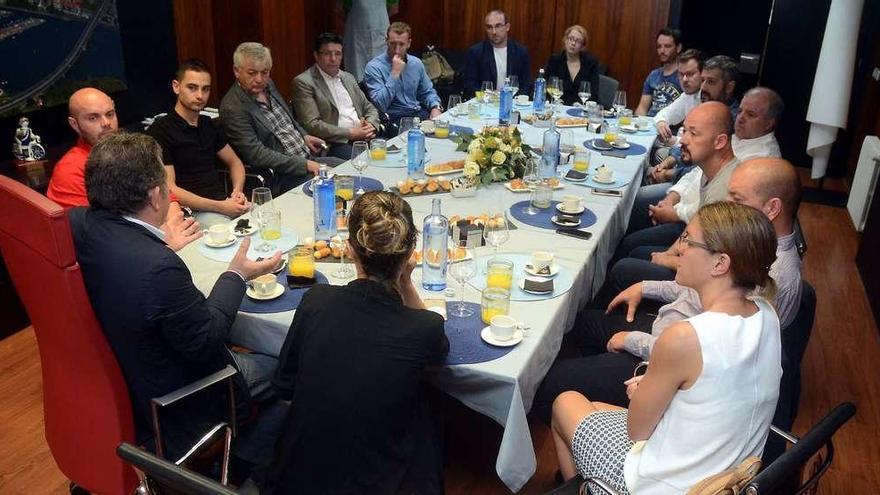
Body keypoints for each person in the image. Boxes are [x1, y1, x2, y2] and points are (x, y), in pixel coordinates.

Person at [69, 131, 284, 464]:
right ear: (157, 196)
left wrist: (159, 245)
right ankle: (256, 463)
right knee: (287, 359)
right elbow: (208, 340)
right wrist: (237, 274)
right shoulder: (158, 269)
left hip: (129, 382)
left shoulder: (78, 224)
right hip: (188, 398)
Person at [533, 158, 801, 417]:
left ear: (772, 208)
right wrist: (645, 287)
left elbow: (695, 363)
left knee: (549, 388)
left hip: (672, 378)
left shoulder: (766, 276)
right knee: (584, 322)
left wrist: (635, 348)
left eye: (737, 199)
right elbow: (694, 295)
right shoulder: (751, 256)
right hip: (671, 352)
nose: (727, 204)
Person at [551, 201, 782, 493]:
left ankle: (595, 486)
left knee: (564, 402)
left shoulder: (685, 337)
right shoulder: (766, 313)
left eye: (688, 240)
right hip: (728, 472)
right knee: (593, 408)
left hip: (670, 484)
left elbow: (637, 431)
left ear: (720, 263)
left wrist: (642, 391)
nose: (679, 249)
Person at [263, 191, 449, 494]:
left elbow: (284, 384)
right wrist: (406, 281)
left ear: (350, 250)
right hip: (382, 481)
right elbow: (438, 351)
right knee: (431, 411)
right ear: (411, 250)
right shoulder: (424, 327)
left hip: (299, 477)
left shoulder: (316, 300)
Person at [47, 87, 200, 251]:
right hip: (120, 256)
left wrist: (172, 228)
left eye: (110, 114)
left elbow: (166, 194)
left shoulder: (130, 149)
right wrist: (165, 244)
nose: (106, 123)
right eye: (93, 118)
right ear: (75, 124)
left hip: (156, 242)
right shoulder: (70, 170)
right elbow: (99, 237)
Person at [614, 102, 739, 265]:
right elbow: (695, 226)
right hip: (693, 237)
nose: (683, 141)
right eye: (685, 131)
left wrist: (665, 259)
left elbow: (706, 262)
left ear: (720, 142)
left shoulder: (728, 187)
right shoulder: (710, 167)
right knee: (630, 247)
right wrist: (667, 253)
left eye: (693, 134)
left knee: (625, 266)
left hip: (702, 267)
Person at [220, 42, 343, 195]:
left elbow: (287, 118)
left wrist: (303, 135)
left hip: (308, 157)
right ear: (236, 71)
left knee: (350, 172)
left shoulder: (268, 84)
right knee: (335, 190)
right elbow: (257, 155)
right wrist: (305, 165)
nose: (259, 79)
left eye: (264, 72)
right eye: (252, 73)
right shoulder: (233, 107)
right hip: (283, 175)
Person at [147, 59, 251, 227]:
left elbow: (235, 163)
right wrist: (221, 207)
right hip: (191, 211)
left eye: (206, 89)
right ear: (176, 86)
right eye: (192, 88)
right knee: (234, 234)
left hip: (223, 203)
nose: (200, 96)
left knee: (266, 219)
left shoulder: (208, 124)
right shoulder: (161, 130)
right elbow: (169, 188)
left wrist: (236, 192)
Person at [291, 32, 382, 160]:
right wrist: (351, 133)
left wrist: (371, 125)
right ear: (316, 56)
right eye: (327, 54)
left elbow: (369, 107)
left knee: (392, 154)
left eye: (338, 54)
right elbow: (312, 124)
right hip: (335, 143)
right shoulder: (304, 82)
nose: (333, 59)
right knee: (365, 162)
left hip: (363, 135)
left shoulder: (348, 77)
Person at [363, 22, 443, 123]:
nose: (397, 50)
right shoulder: (374, 67)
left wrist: (435, 107)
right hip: (393, 118)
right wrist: (394, 74)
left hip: (417, 113)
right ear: (386, 41)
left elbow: (427, 92)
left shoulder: (416, 63)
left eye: (401, 44)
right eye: (393, 44)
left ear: (409, 43)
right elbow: (380, 105)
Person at [460, 9, 532, 99]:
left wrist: (513, 99)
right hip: (486, 103)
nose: (494, 32)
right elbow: (470, 85)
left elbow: (526, 84)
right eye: (489, 27)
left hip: (513, 103)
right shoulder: (476, 52)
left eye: (498, 26)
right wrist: (491, 96)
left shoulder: (520, 52)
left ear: (507, 27)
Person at [651, 48, 704, 150]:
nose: (684, 79)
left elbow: (701, 146)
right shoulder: (687, 95)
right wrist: (661, 123)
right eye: (681, 74)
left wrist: (674, 141)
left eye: (690, 74)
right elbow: (664, 114)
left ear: (702, 74)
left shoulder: (708, 99)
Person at [340, 0, 398, 82]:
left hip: (380, 32)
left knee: (381, 73)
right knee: (356, 74)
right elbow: (342, 8)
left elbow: (394, 9)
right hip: (356, 35)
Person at [543, 25, 601, 106]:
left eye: (578, 41)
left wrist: (582, 104)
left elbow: (594, 93)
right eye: (571, 39)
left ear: (582, 46)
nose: (573, 43)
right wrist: (554, 100)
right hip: (558, 108)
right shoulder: (555, 60)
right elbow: (545, 87)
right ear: (565, 40)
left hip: (580, 110)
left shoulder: (591, 63)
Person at [635, 28, 683, 117]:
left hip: (669, 127)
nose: (662, 51)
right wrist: (637, 123)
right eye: (659, 46)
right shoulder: (654, 75)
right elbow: (642, 107)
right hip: (649, 124)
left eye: (667, 46)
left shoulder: (684, 76)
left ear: (678, 48)